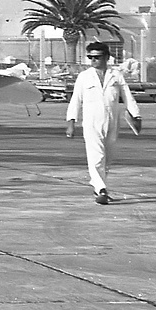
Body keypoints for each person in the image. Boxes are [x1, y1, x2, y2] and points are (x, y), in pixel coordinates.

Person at [65, 42, 140, 204]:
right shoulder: (84, 77)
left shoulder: (116, 75)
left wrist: (136, 115)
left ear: (106, 57)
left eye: (97, 57)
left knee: (107, 158)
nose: (93, 60)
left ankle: (99, 186)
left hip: (112, 122)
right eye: (90, 57)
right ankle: (101, 189)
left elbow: (127, 96)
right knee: (96, 156)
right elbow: (75, 100)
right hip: (92, 122)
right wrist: (71, 121)